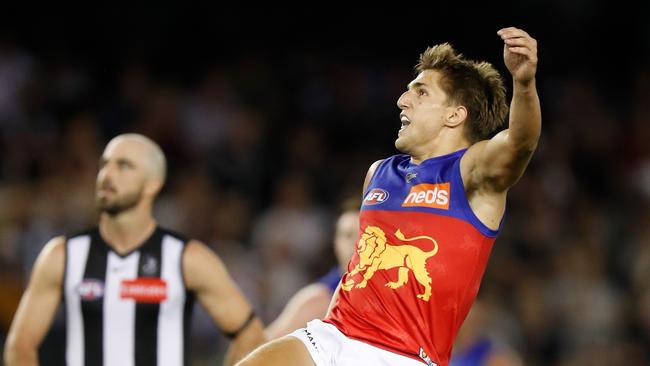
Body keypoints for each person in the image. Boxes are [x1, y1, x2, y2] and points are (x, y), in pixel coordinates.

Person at [236, 26, 541, 366]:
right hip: (333, 334)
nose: (402, 100)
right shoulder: (379, 172)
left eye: (421, 92)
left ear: (454, 115)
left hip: (403, 355)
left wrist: (524, 83)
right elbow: (359, 266)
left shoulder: (473, 172)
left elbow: (520, 142)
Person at [4, 134, 265, 366]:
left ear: (153, 184)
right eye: (104, 164)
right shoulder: (63, 255)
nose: (107, 174)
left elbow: (250, 333)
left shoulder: (186, 258)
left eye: (124, 166)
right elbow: (21, 344)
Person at [265, 199, 360, 340]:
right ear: (335, 243)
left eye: (362, 234)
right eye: (347, 235)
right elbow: (262, 348)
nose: (355, 243)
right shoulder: (318, 299)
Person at [449, 300, 522, 366]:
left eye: (478, 322)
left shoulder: (491, 352)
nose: (473, 329)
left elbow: (512, 361)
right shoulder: (444, 349)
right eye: (469, 323)